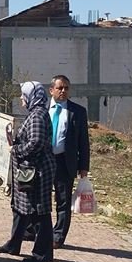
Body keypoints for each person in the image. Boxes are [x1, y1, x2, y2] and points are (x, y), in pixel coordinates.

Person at [0, 81, 57, 262]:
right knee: (21, 208)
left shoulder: (37, 116)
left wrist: (16, 149)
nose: (21, 99)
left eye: (24, 95)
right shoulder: (36, 113)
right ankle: (13, 244)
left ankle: (42, 255)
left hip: (37, 172)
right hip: (30, 170)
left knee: (39, 212)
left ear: (32, 96)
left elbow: (35, 143)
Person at [45, 75, 90, 248]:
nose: (63, 91)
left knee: (63, 200)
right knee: (41, 198)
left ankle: (58, 236)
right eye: (60, 88)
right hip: (44, 161)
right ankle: (39, 231)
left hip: (65, 161)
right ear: (51, 90)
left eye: (66, 88)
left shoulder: (77, 112)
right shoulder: (42, 109)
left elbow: (83, 141)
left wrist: (84, 166)